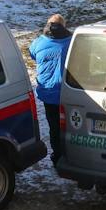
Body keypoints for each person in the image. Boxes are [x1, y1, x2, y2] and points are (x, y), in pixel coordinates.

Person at [29, 14, 72, 165]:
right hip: (68, 92)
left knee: (54, 126)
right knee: (70, 126)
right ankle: (71, 153)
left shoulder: (38, 43)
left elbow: (32, 54)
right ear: (63, 26)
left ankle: (57, 155)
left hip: (48, 92)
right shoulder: (71, 42)